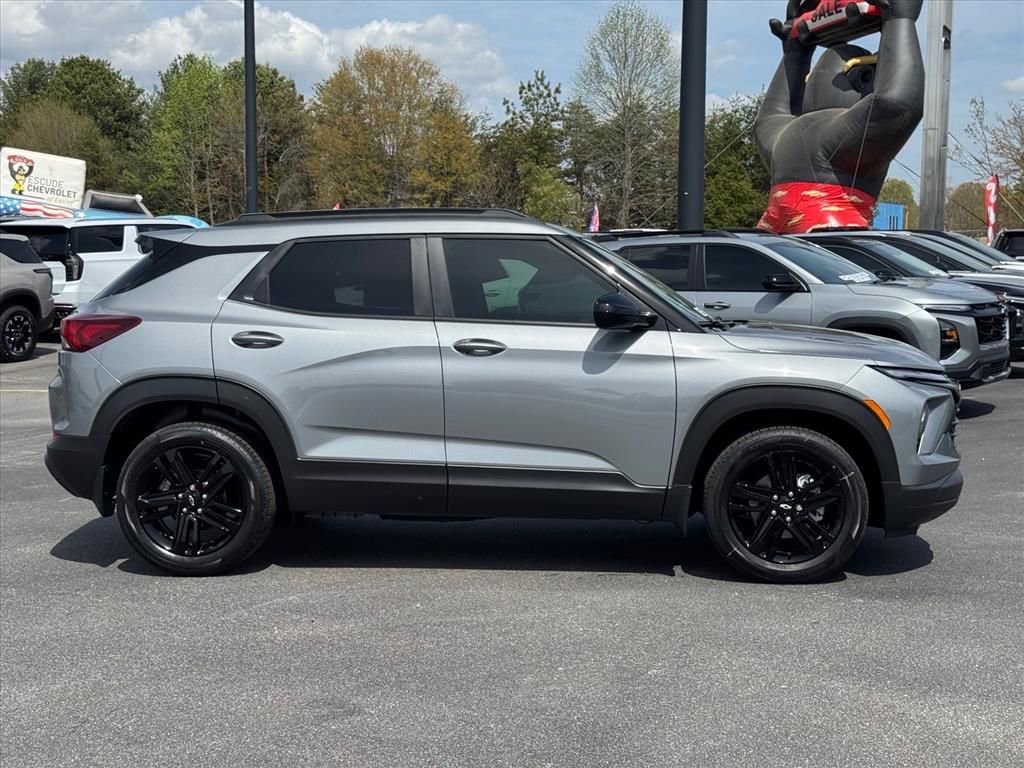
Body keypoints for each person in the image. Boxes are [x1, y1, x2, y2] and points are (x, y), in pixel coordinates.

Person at [754, 0, 924, 233]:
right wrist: (900, 21)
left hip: (775, 247)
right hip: (831, 249)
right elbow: (897, 103)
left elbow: (770, 115)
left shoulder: (782, 135)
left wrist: (795, 53)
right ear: (863, 77)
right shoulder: (839, 132)